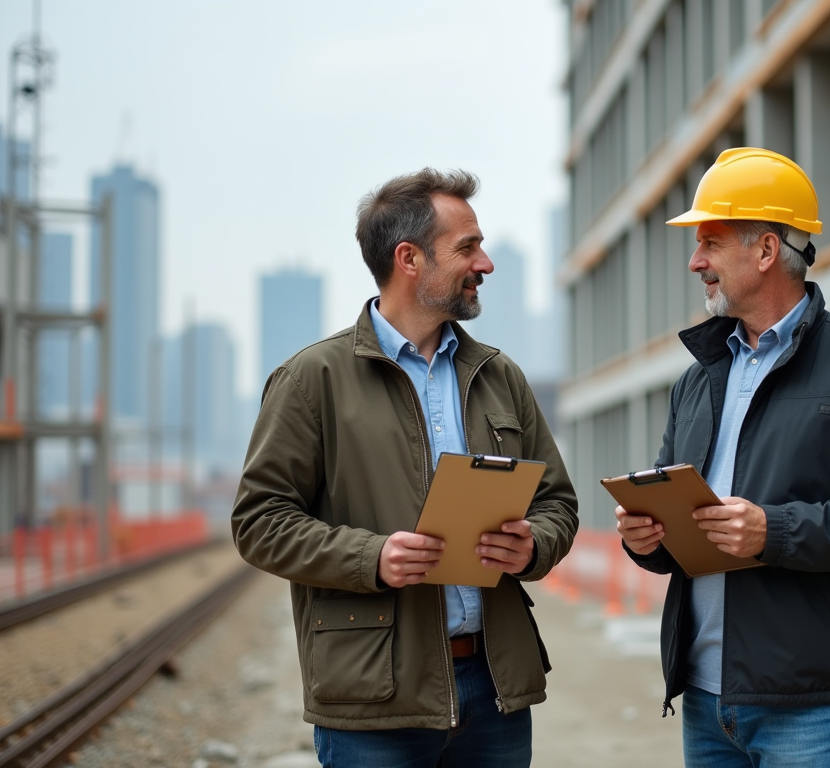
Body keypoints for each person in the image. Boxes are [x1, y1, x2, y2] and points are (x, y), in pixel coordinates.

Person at [232, 168, 578, 768]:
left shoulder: (499, 376)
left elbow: (557, 505)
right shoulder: (313, 381)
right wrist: (374, 558)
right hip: (376, 700)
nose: (486, 263)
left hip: (494, 689)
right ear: (409, 258)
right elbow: (259, 521)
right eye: (468, 248)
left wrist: (533, 547)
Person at [615, 148, 830, 768]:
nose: (695, 261)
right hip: (706, 699)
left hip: (811, 702)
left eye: (709, 242)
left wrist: (772, 531)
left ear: (765, 251)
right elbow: (682, 519)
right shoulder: (699, 380)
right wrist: (645, 537)